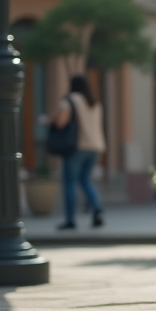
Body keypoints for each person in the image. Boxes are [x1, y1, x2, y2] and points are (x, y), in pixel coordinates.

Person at [50, 75, 106, 230]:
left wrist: (51, 121)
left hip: (77, 146)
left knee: (70, 182)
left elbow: (61, 123)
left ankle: (70, 219)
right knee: (85, 180)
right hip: (95, 147)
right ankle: (97, 209)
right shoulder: (94, 102)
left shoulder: (70, 100)